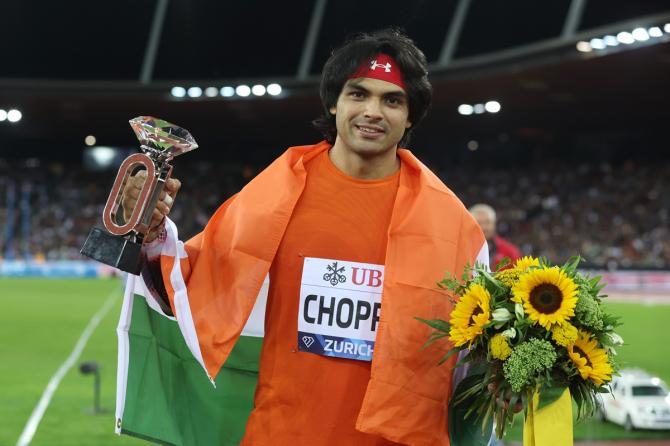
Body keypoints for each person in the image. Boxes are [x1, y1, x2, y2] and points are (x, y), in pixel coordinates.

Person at [122, 29, 488, 445]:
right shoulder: (277, 191)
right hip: (284, 434)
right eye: (358, 94)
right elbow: (190, 282)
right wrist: (152, 231)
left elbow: (475, 363)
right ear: (334, 103)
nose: (373, 111)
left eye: (392, 100)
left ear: (410, 116)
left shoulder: (453, 224)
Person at [469, 203, 520, 271]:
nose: (484, 227)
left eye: (487, 222)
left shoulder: (509, 251)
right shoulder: (462, 249)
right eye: (478, 223)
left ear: (494, 224)